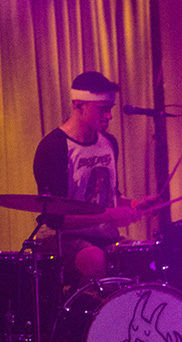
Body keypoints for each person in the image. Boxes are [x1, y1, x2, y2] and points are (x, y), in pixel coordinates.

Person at [32, 71, 142, 284]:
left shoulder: (109, 143)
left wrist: (135, 204)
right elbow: (56, 219)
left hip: (103, 236)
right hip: (60, 237)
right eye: (102, 109)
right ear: (79, 105)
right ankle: (84, 315)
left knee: (145, 257)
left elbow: (109, 197)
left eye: (110, 109)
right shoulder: (54, 147)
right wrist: (111, 216)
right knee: (95, 259)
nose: (109, 116)